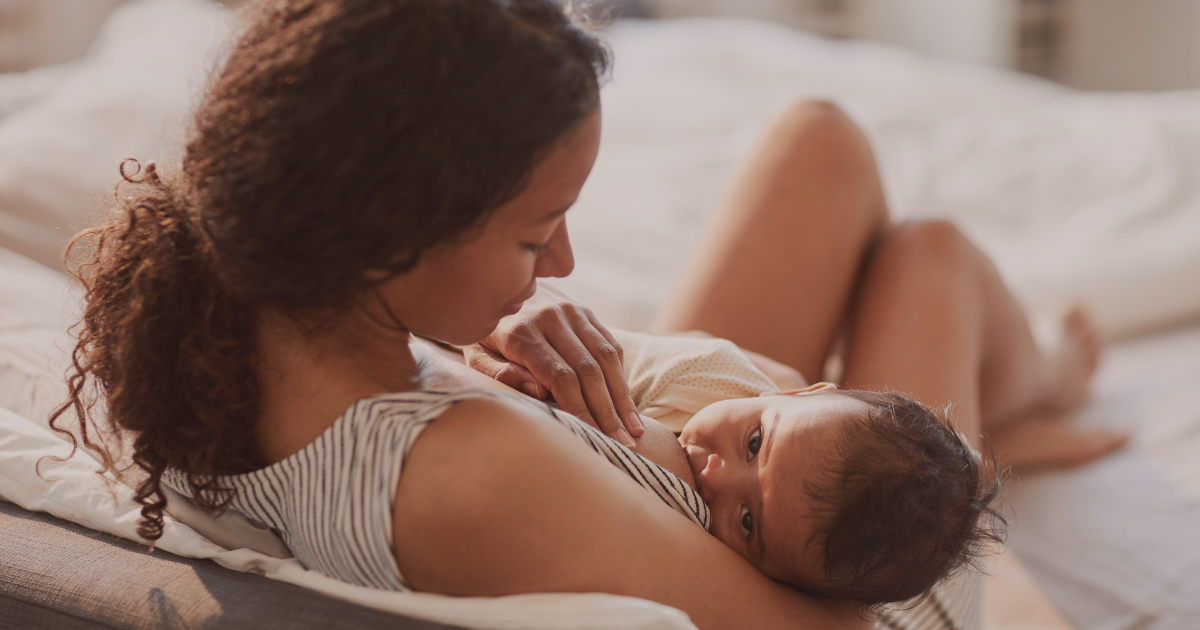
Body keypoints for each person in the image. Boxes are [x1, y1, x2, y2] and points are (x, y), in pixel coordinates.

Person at [47, 1, 1126, 629]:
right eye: (533, 233)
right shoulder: (470, 473)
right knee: (928, 256)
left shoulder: (233, 309)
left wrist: (469, 341)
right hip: (849, 559)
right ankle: (1010, 413)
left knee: (819, 142)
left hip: (671, 460)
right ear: (392, 231)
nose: (562, 261)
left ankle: (1001, 407)